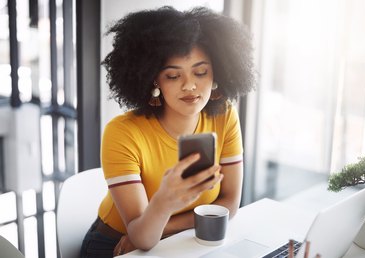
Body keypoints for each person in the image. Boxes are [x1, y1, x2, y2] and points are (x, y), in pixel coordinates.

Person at [80, 6, 255, 258]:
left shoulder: (224, 116)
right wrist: (164, 199)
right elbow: (141, 237)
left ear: (217, 72)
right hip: (118, 246)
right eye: (173, 76)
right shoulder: (122, 133)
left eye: (200, 72)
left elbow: (229, 203)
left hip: (183, 239)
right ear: (154, 80)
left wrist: (166, 225)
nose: (190, 85)